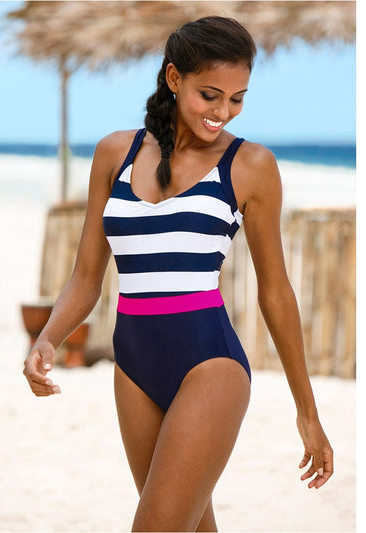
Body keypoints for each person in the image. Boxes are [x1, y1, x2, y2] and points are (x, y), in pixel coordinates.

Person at [23, 16, 334, 532]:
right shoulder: (114, 154)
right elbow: (86, 278)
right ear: (174, 78)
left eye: (237, 99)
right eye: (210, 95)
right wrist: (47, 338)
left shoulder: (250, 165)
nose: (222, 112)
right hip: (133, 367)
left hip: (210, 363)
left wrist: (307, 411)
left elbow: (276, 292)